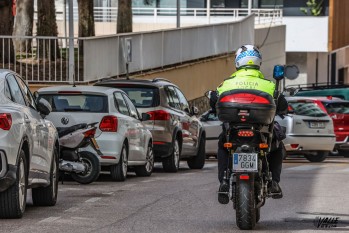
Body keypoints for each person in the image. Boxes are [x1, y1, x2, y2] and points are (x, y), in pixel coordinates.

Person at [209, 44, 288, 204]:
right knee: (277, 145)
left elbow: (213, 100)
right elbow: (283, 105)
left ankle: (224, 182)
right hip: (260, 134)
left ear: (237, 62)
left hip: (234, 132)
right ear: (258, 62)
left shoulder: (226, 84)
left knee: (223, 144)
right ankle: (274, 182)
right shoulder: (269, 85)